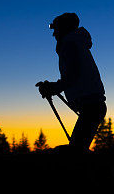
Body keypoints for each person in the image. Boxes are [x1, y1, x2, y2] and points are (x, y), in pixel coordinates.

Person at [37, 13, 107, 150]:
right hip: (92, 105)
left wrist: (53, 88)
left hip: (90, 106)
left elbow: (73, 75)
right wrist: (54, 87)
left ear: (64, 29)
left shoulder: (70, 44)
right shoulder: (76, 43)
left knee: (75, 152)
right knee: (77, 149)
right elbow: (74, 75)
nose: (54, 34)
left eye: (56, 29)